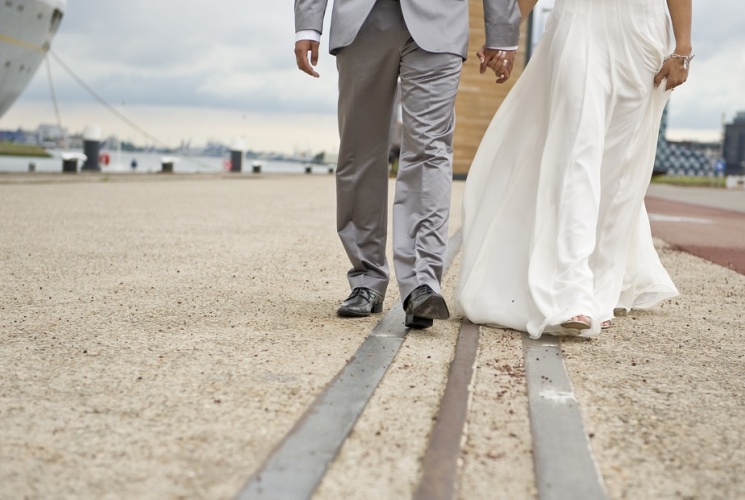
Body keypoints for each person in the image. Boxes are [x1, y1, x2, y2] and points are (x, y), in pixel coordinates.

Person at [456, 0, 692, 338]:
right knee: (576, 155)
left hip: (644, 32)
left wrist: (683, 48)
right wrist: (504, 33)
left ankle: (601, 290)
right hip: (580, 22)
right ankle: (572, 291)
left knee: (619, 170)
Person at [294, 0, 522, 328]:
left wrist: (501, 33)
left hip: (440, 22)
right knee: (359, 153)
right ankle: (366, 278)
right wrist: (308, 23)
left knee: (430, 153)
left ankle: (421, 283)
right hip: (361, 21)